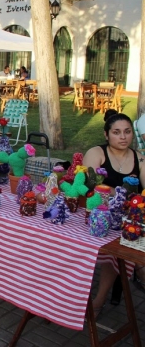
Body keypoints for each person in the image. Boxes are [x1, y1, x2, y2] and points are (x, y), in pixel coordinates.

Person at [83, 109, 145, 313]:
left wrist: (123, 197)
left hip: (127, 218)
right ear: (106, 134)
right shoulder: (97, 153)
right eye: (116, 132)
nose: (123, 137)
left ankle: (99, 300)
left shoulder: (139, 158)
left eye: (127, 132)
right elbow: (91, 184)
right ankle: (98, 298)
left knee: (126, 247)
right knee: (119, 247)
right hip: (96, 216)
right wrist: (127, 196)